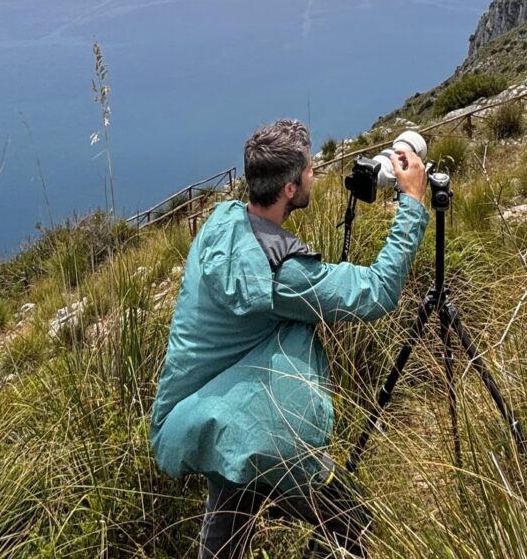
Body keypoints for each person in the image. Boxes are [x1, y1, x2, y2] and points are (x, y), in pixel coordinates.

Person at [149, 119, 429, 558]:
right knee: (349, 520)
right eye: (309, 170)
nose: (314, 174)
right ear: (289, 190)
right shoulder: (284, 275)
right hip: (248, 425)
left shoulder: (222, 224)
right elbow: (377, 291)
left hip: (207, 416)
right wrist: (412, 203)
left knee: (224, 539)